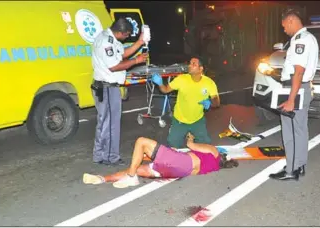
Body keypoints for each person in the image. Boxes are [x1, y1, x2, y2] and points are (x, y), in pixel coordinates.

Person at [83, 133, 239, 188]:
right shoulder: (213, 166)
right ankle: (102, 179)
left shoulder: (213, 151)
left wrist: (190, 137)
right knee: (135, 166)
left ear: (221, 155)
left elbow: (190, 145)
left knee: (141, 141)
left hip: (181, 163)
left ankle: (130, 178)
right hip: (179, 171)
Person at [91, 18, 149, 166]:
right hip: (107, 88)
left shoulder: (109, 38)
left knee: (104, 122)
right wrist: (136, 61)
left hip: (105, 87)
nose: (127, 38)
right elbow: (114, 66)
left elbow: (121, 54)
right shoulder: (106, 42)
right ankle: (111, 157)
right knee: (111, 124)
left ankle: (99, 154)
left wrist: (140, 43)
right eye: (127, 35)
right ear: (121, 32)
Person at [269, 8, 319, 181]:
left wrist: (291, 99)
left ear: (290, 21)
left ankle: (291, 170)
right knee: (299, 129)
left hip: (295, 88)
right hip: (299, 88)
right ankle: (298, 164)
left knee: (291, 131)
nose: (284, 30)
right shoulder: (308, 39)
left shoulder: (301, 40)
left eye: (284, 26)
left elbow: (298, 71)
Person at [151, 57, 220, 148]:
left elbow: (217, 102)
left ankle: (191, 135)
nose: (189, 66)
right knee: (173, 144)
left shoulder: (209, 83)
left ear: (201, 68)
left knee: (206, 146)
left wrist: (210, 102)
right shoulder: (182, 79)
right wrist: (160, 84)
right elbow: (166, 90)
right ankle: (185, 134)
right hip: (180, 120)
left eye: (193, 64)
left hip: (197, 120)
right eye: (190, 63)